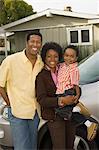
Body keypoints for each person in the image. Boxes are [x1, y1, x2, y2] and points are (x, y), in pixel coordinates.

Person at [0, 31, 44, 150]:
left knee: (32, 146)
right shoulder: (11, 61)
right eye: (32, 41)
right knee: (22, 147)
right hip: (17, 113)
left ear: (41, 44)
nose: (35, 45)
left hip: (35, 113)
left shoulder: (41, 62)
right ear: (27, 43)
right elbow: (0, 85)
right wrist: (9, 102)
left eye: (38, 42)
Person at [35, 42, 77, 150]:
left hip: (68, 114)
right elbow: (41, 99)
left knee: (70, 145)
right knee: (59, 147)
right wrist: (61, 100)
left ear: (60, 57)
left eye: (55, 56)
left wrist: (77, 94)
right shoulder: (41, 76)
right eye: (49, 56)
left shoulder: (64, 69)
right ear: (44, 57)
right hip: (54, 116)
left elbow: (74, 84)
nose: (52, 59)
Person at [55, 45, 98, 141]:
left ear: (76, 58)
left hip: (68, 92)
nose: (68, 58)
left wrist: (77, 95)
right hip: (61, 92)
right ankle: (78, 107)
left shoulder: (73, 69)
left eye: (71, 56)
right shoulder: (62, 65)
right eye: (66, 55)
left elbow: (75, 84)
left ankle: (89, 123)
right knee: (63, 111)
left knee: (61, 111)